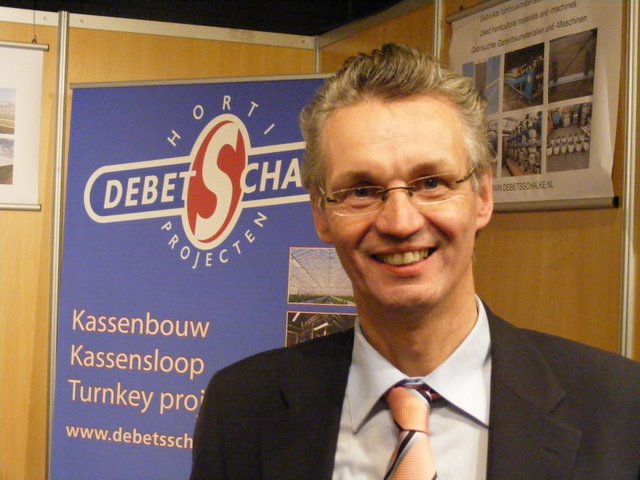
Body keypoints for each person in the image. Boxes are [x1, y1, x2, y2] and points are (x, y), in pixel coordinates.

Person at [190, 44, 640, 479]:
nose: (400, 222)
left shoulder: (620, 409)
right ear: (321, 214)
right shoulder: (242, 409)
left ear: (483, 196)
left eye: (430, 183)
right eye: (361, 190)